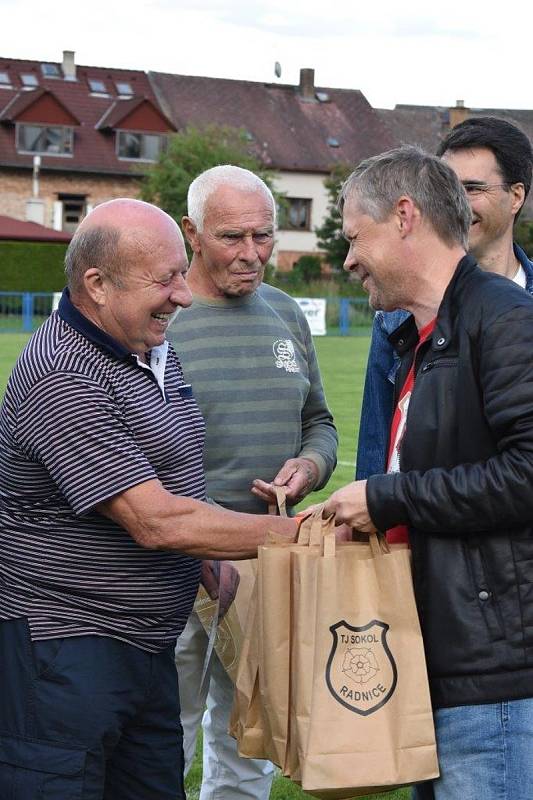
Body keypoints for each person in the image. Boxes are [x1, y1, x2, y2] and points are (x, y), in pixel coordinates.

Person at [0, 198, 299, 800]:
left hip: (142, 647)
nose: (183, 295)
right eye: (164, 280)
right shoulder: (63, 372)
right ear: (98, 285)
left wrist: (206, 557)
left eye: (180, 276)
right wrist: (305, 534)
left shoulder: (147, 350)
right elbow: (155, 520)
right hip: (65, 655)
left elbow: (175, 470)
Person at [324, 145, 533, 800]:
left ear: (404, 217)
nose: (348, 258)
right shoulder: (420, 335)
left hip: (490, 677)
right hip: (431, 658)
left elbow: (526, 475)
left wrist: (386, 498)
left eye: (356, 236)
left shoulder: (501, 320)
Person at [170, 165, 337, 800]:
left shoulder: (287, 312)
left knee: (250, 746)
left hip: (269, 564)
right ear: (192, 233)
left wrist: (310, 465)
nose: (251, 254)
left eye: (263, 236)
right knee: (164, 735)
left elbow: (318, 421)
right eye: (232, 237)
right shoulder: (160, 320)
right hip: (175, 569)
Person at [356, 116, 533, 480]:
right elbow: (377, 443)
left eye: (473, 188)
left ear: (516, 196)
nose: (458, 203)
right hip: (417, 531)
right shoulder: (397, 315)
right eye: (450, 187)